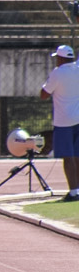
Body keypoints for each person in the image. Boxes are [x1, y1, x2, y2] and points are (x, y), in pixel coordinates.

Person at [40, 44, 79, 201]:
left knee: (67, 157)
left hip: (64, 122)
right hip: (78, 119)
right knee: (77, 155)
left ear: (62, 58)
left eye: (57, 58)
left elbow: (44, 94)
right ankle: (78, 190)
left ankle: (73, 191)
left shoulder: (58, 73)